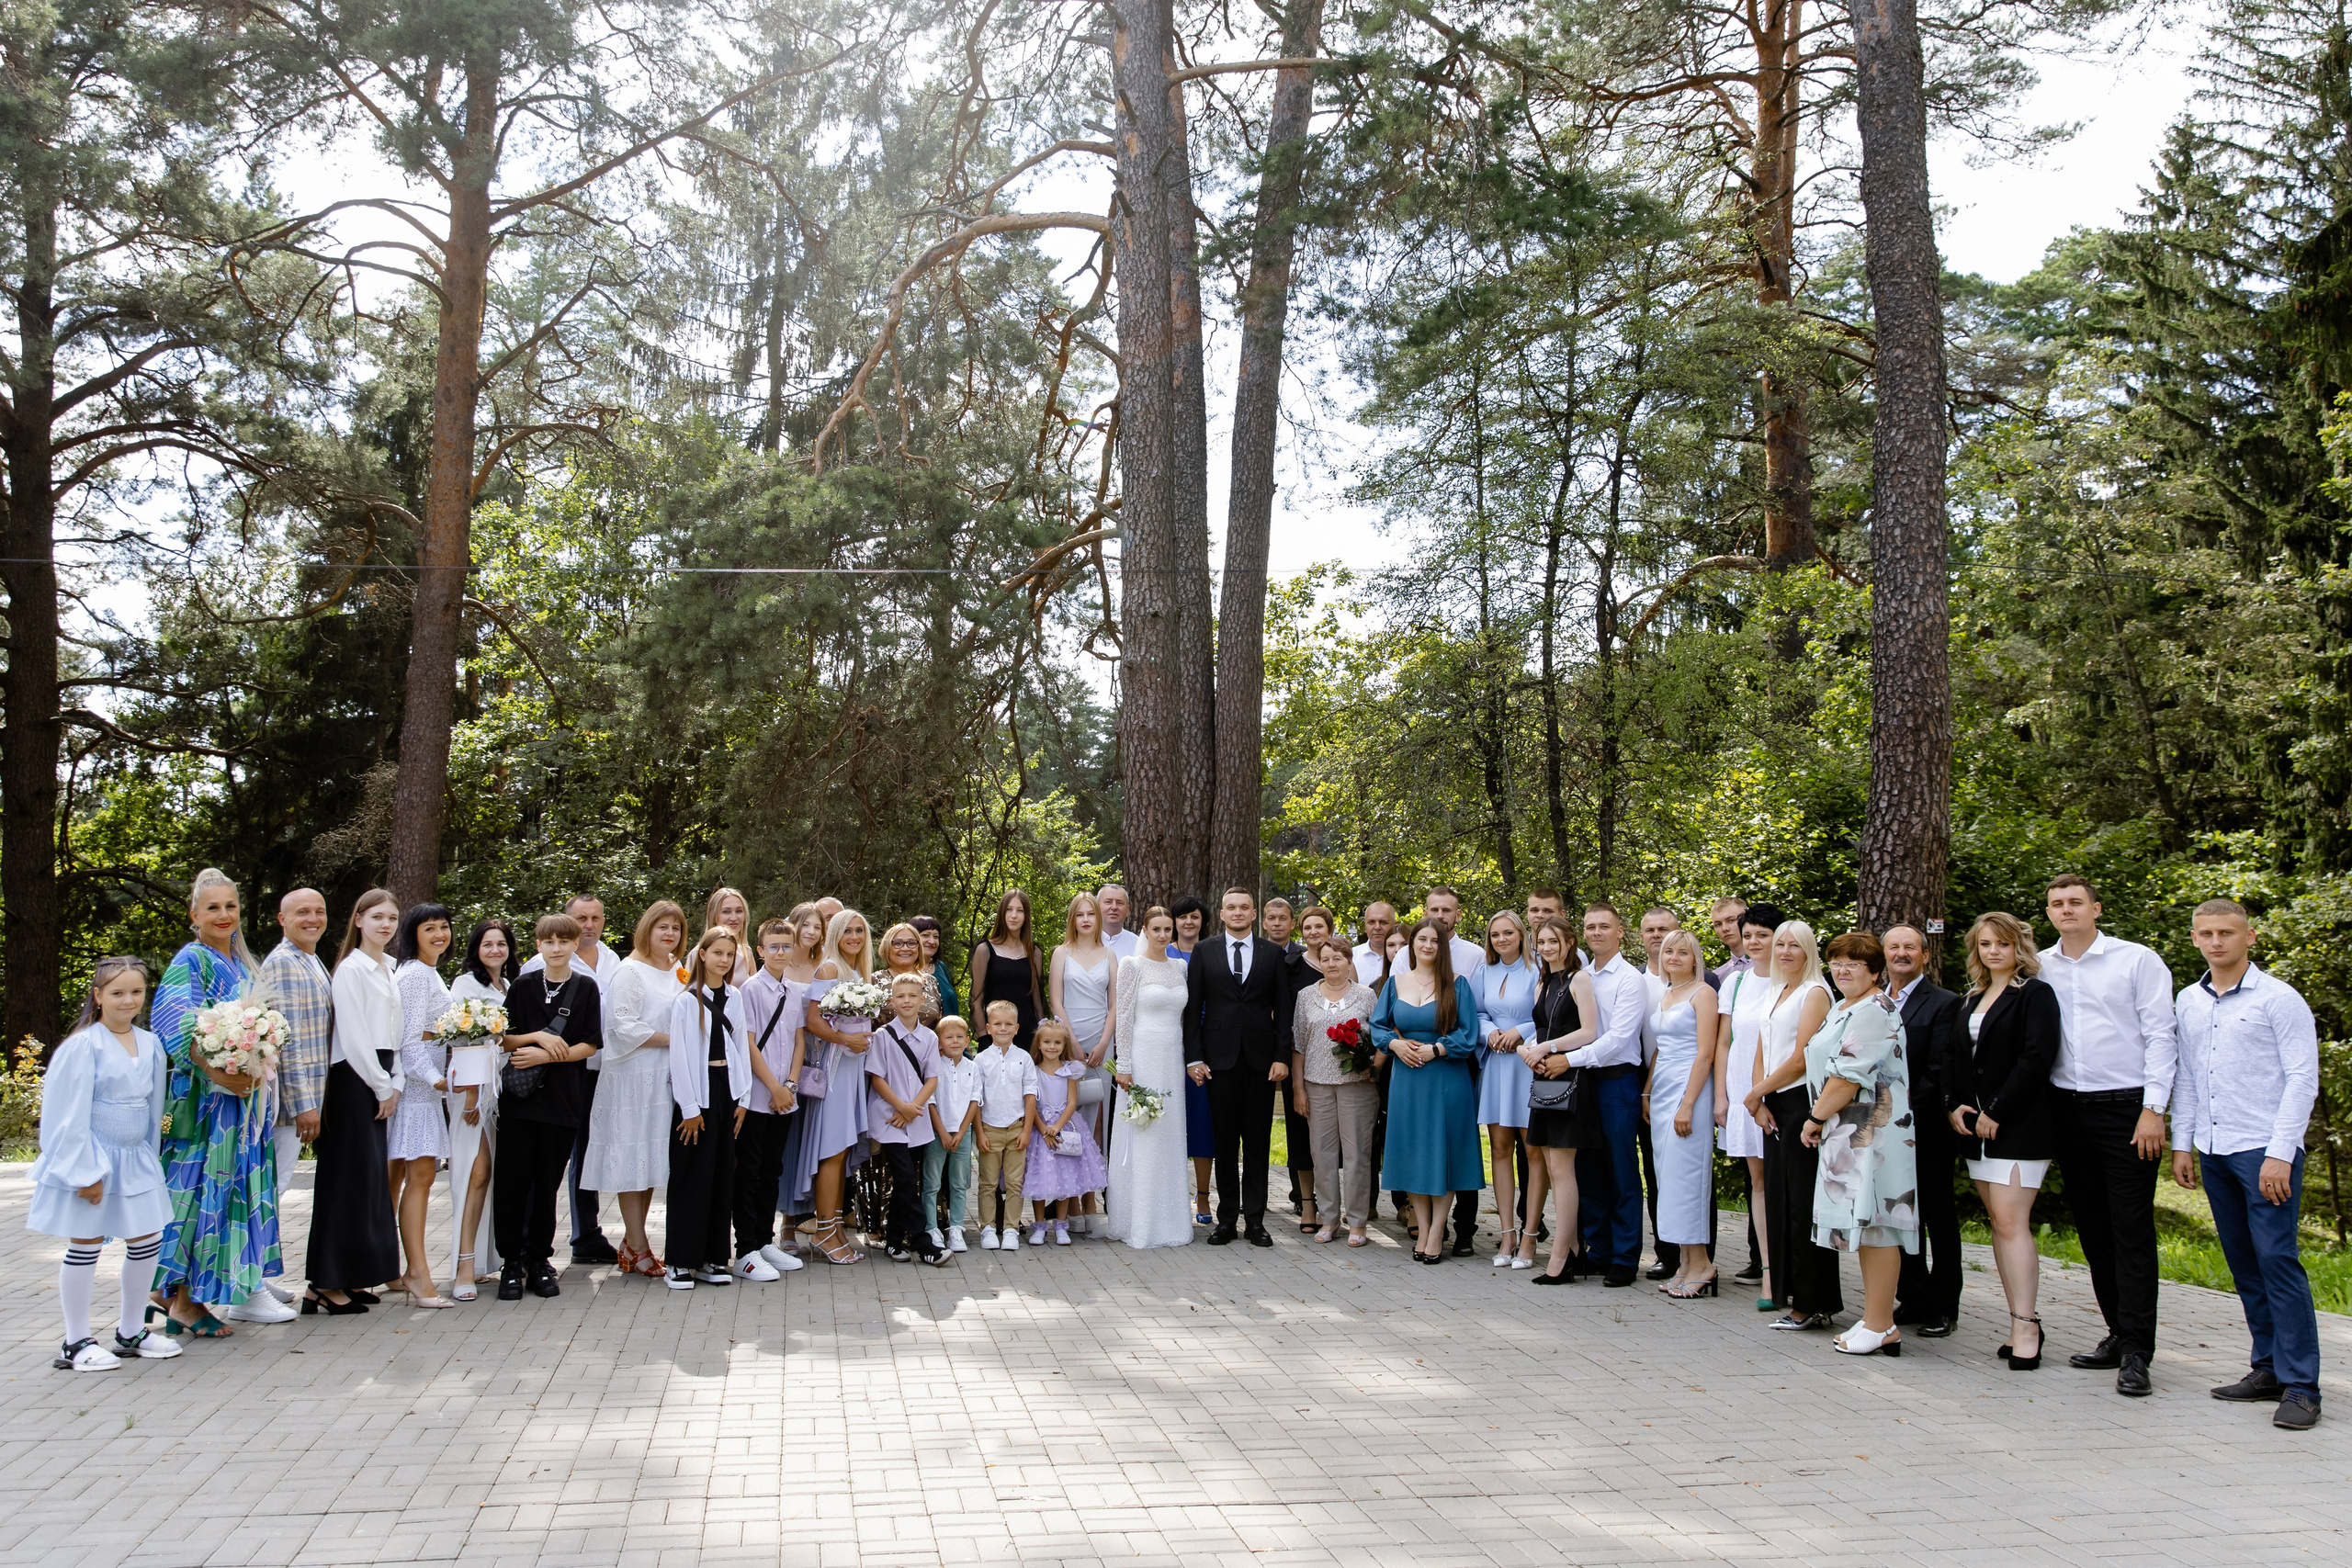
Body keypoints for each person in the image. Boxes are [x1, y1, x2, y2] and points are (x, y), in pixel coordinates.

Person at [2170, 899, 2324, 1430]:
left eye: (2227, 933)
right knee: (2244, 1264)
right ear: (2194, 939)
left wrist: (2282, 1152)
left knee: (2277, 1260)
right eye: (2207, 933)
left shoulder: (2279, 999)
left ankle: (2302, 1386)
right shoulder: (2189, 1000)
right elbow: (2189, 1076)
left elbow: (2302, 1078)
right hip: (2214, 1148)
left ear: (2249, 937)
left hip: (2265, 1150)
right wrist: (2183, 1143)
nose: (2217, 942)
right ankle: (2269, 1369)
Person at [2042, 874, 2177, 1397]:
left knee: (2131, 1229)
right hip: (2067, 1111)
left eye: (2076, 902)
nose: (2067, 910)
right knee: (2094, 1229)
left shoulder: (2136, 960)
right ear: (2049, 913)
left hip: (2127, 1111)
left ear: (2095, 909)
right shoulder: (2041, 966)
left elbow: (2161, 1035)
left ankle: (2139, 1350)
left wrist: (2154, 1109)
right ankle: (2118, 1333)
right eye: (2058, 904)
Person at [151, 868, 284, 1334]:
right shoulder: (191, 960)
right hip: (207, 1104)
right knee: (198, 1192)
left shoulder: (244, 963)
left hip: (241, 1103)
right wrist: (214, 1071)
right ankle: (181, 1300)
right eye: (213, 908)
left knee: (227, 1193)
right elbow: (173, 1021)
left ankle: (170, 1293)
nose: (224, 914)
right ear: (194, 915)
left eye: (230, 906)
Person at [32, 957, 181, 1370]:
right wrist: (85, 1172)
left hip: (135, 1158)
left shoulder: (150, 1043)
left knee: (147, 1237)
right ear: (98, 996)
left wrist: (149, 1156)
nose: (127, 1000)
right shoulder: (84, 1046)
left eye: (136, 992)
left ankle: (131, 1330)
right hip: (94, 1156)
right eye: (117, 993)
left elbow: (153, 1106)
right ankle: (75, 1341)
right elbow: (66, 1112)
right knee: (86, 1241)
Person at [1945, 911, 2060, 1370]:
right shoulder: (1972, 996)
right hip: (1977, 1129)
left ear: (2019, 947)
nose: (1994, 951)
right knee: (1998, 1223)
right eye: (1986, 944)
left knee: (2012, 1223)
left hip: (2019, 1125)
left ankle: (2027, 1325)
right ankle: (2018, 1322)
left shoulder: (2034, 993)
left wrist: (1997, 1110)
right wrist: (1954, 1104)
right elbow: (1955, 1057)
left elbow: (2037, 1058)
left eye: (2003, 944)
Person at [1800, 932, 1917, 1357]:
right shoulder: (1842, 1007)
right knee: (1866, 1229)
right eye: (1836, 962)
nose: (1843, 970)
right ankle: (1874, 1320)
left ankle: (1882, 1325)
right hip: (1847, 1130)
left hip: (1873, 1133)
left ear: (1874, 971)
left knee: (1879, 1227)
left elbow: (1848, 1076)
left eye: (1854, 963)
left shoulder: (1874, 1010)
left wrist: (1814, 1118)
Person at [494, 912, 604, 1301]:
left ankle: (539, 1259)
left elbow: (590, 1044)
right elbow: (503, 1038)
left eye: (563, 941)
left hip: (562, 1101)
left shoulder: (586, 987)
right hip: (520, 1101)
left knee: (547, 1184)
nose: (556, 948)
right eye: (549, 941)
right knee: (512, 1182)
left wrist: (547, 1056)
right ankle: (511, 1262)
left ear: (575, 944)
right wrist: (538, 1038)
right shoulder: (523, 986)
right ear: (538, 945)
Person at [310, 888, 402, 1318]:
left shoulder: (389, 967)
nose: (386, 925)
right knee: (346, 1179)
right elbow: (353, 1036)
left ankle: (347, 1276)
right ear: (359, 920)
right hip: (354, 1079)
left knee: (367, 1181)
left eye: (392, 918)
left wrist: (396, 1080)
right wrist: (382, 1086)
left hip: (381, 1073)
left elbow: (394, 1032)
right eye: (377, 917)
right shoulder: (351, 969)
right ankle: (325, 1282)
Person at [1183, 888, 1291, 1247]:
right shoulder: (1204, 951)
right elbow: (1193, 1009)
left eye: (1245, 907)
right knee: (1225, 1142)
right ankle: (1227, 1219)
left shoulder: (1271, 953)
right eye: (1231, 907)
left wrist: (1281, 1056)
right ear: (1222, 914)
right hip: (1219, 1060)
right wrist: (1195, 1057)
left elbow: (1283, 1010)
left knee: (1258, 1142)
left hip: (1261, 1061)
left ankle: (1256, 1221)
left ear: (1254, 914)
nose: (1238, 912)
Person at [1743, 919, 1838, 1325]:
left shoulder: (1814, 992)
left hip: (1801, 1103)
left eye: (1794, 945)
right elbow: (1762, 1047)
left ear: (1808, 950)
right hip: (1774, 1102)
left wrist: (1756, 1093)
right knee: (1780, 1202)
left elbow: (1802, 1058)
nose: (1785, 951)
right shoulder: (1778, 989)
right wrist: (1759, 1098)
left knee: (1803, 1206)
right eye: (1780, 944)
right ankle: (1788, 1292)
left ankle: (1813, 1303)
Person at [585, 900, 686, 1281]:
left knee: (650, 1159)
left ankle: (631, 1242)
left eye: (676, 928)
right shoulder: (630, 971)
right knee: (632, 1158)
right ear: (647, 929)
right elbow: (621, 1027)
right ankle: (639, 1246)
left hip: (664, 1077)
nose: (669, 934)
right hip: (633, 1076)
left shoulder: (677, 967)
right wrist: (675, 1040)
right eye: (662, 927)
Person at [1369, 919, 1481, 1261]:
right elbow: (1378, 1026)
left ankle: (1436, 1231)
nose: (1428, 945)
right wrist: (1395, 1045)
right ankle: (1423, 1222)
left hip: (1446, 1078)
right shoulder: (1395, 983)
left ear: (1442, 946)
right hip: (1407, 1079)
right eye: (1422, 939)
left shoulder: (1457, 985)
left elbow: (1469, 1033)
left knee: (1444, 1152)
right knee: (1412, 1152)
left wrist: (1437, 1049)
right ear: (1412, 944)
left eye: (1434, 940)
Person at [520, 893, 622, 1266]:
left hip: (600, 1071)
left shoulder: (612, 960)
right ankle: (530, 1246)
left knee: (588, 1154)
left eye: (596, 918)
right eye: (582, 918)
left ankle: (586, 1235)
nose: (589, 925)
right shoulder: (542, 961)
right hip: (552, 1076)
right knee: (546, 1162)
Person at [1885, 922, 1967, 1337]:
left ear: (1925, 955)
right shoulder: (1874, 1000)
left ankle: (1943, 1305)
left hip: (1926, 1127)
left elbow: (1938, 1069)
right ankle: (1913, 1296)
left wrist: (1898, 1112)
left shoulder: (1945, 1003)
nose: (1902, 953)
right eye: (1894, 947)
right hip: (1883, 1130)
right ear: (1884, 954)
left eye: (1910, 947)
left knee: (1937, 1215)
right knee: (1900, 1212)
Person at [254, 887, 332, 1312]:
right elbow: (290, 1040)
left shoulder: (310, 958)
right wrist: (304, 1104)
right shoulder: (284, 962)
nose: (313, 918)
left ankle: (260, 1279)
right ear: (282, 919)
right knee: (271, 1188)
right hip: (287, 1104)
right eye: (302, 912)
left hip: (308, 1095)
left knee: (274, 1189)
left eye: (319, 911)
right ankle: (250, 1286)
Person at [1566, 904, 1649, 1287]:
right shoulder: (1581, 976)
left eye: (1604, 926)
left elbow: (1618, 1039)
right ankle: (1598, 1250)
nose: (1596, 932)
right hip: (1584, 1081)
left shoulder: (1630, 979)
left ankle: (1625, 1257)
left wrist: (1568, 1059)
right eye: (1590, 927)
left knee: (1621, 1170)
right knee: (1589, 1169)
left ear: (1620, 932)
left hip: (1618, 1081)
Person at [663, 927, 750, 1288]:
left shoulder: (735, 997)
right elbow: (679, 1057)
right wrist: (689, 1108)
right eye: (717, 953)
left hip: (728, 1091)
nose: (724, 960)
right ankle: (680, 1261)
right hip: (698, 1095)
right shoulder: (687, 1001)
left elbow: (741, 1047)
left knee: (721, 1176)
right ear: (702, 955)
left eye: (729, 954)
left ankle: (714, 1258)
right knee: (691, 1177)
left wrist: (744, 1099)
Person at [1108, 907, 1196, 1249]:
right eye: (1156, 929)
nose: (1162, 935)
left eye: (1167, 929)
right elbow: (1124, 1016)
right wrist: (1125, 1065)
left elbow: (1184, 1019)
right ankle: (1140, 1222)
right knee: (1145, 1131)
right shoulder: (1132, 965)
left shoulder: (1180, 967)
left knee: (1170, 1133)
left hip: (1172, 1058)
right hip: (1142, 1057)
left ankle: (1171, 1221)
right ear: (1144, 930)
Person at [797, 908, 877, 1263]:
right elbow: (813, 1021)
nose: (854, 937)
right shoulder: (829, 968)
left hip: (853, 1069)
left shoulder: (858, 972)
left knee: (842, 1151)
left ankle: (836, 1229)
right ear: (835, 935)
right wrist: (847, 1040)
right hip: (835, 1069)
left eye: (859, 931)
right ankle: (824, 1231)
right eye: (847, 931)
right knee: (832, 1149)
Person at [387, 904, 457, 1308]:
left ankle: (392, 1268)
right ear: (413, 934)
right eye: (429, 928)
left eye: (444, 927)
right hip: (416, 1092)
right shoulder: (414, 974)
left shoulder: (430, 972)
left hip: (424, 1089)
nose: (439, 935)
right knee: (421, 1177)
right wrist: (436, 1080)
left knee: (401, 1178)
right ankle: (418, 1273)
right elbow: (409, 1040)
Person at [1520, 918, 1597, 1282]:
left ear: (1569, 942)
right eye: (1542, 942)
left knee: (1563, 1170)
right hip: (1543, 1077)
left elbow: (1589, 1032)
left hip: (1570, 1077)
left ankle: (1562, 1255)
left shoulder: (1580, 979)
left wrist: (1548, 1048)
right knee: (1551, 1168)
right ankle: (1575, 1249)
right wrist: (1528, 1051)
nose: (1547, 948)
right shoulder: (1543, 981)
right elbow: (1539, 1030)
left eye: (1554, 941)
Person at [1713, 903, 1784, 1291]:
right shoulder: (1735, 983)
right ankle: (1769, 1271)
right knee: (1758, 1182)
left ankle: (1791, 1270)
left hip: (1780, 1094)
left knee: (1785, 1183)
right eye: (1749, 935)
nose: (1754, 942)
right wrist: (1721, 1096)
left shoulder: (1795, 980)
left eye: (1763, 935)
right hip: (1742, 1093)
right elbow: (1724, 1042)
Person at [1647, 930, 1721, 1296]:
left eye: (1682, 952)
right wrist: (1648, 1091)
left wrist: (1688, 1104)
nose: (1674, 957)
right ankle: (1686, 1263)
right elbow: (1660, 1048)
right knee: (1669, 1180)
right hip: (1662, 1089)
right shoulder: (1666, 994)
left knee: (1688, 1178)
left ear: (1695, 959)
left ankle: (1703, 1264)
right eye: (1668, 951)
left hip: (1690, 1088)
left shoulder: (1703, 993)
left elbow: (1705, 1054)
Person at [446, 919, 516, 1300]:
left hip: (501, 1091)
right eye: (487, 944)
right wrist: (472, 1095)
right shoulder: (465, 985)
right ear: (476, 948)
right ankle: (463, 1266)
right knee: (475, 1172)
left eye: (501, 944)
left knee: (492, 1178)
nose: (494, 950)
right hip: (473, 1093)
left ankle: (486, 1259)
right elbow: (463, 1041)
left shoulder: (510, 985)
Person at [733, 919, 808, 1280]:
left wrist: (790, 1085)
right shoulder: (749, 989)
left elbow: (798, 1041)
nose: (780, 952)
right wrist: (774, 1088)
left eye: (786, 946)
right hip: (757, 1095)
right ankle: (744, 1249)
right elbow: (748, 1043)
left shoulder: (793, 991)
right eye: (773, 946)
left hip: (785, 1097)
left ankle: (764, 1241)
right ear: (760, 950)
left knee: (772, 1170)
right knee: (749, 1171)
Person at [1294, 934, 1377, 1246]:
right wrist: (1298, 1088)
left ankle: (1357, 1223)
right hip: (1317, 1085)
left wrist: (1374, 1066)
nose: (1331, 964)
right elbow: (1298, 1045)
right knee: (1322, 1155)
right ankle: (1329, 1219)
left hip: (1357, 1086)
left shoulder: (1366, 995)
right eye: (1326, 959)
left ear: (1349, 962)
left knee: (1357, 1155)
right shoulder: (1306, 996)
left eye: (1338, 958)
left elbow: (1380, 1037)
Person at [1474, 911, 1538, 1267]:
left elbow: (1547, 1014)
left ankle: (1530, 1236)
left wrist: (1520, 1031)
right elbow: (1477, 1014)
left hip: (1527, 1064)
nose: (1502, 939)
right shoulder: (1484, 971)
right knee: (1499, 1149)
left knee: (1533, 1151)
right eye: (1495, 934)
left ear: (1521, 934)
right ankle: (1507, 1234)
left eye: (1508, 933)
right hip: (1496, 1064)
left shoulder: (1537, 969)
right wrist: (1490, 1033)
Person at [1051, 892, 1118, 1231]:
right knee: (1070, 1121)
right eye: (1080, 915)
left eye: (1091, 914)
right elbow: (1056, 1001)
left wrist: (1104, 1043)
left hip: (1102, 1045)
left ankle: (1091, 1198)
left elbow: (1115, 1004)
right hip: (1067, 1042)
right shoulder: (1061, 953)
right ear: (1073, 920)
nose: (1087, 920)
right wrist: (1071, 1042)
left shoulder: (1110, 955)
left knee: (1096, 1125)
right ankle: (1072, 1201)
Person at [868, 974, 947, 1265]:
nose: (906, 1001)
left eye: (912, 996)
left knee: (907, 1181)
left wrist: (913, 1107)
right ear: (892, 1000)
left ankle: (893, 1241)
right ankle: (923, 1242)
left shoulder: (930, 1037)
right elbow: (877, 1078)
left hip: (916, 1117)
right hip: (889, 1118)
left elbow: (932, 1078)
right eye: (900, 996)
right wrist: (900, 1107)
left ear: (922, 1000)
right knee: (903, 1177)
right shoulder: (882, 1036)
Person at [1025, 1020, 1106, 1246]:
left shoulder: (1069, 1071)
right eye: (1047, 1042)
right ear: (1039, 1044)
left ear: (1064, 1045)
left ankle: (1061, 1225)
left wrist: (1057, 1127)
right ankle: (1040, 1225)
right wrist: (1044, 1129)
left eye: (1057, 1043)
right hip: (1040, 1130)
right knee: (1039, 1177)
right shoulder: (1032, 1071)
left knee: (1065, 1176)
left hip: (1065, 1127)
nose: (1052, 1047)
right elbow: (1030, 1104)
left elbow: (1072, 1103)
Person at [973, 1000, 1040, 1251]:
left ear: (1016, 1028)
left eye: (1008, 1024)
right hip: (990, 1128)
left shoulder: (1024, 1059)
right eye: (998, 1024)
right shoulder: (980, 1060)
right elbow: (976, 1099)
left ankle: (1011, 1229)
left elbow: (1030, 1095)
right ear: (989, 1028)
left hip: (1016, 1128)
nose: (1003, 1028)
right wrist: (980, 1133)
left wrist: (1026, 1130)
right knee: (988, 1183)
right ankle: (988, 1228)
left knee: (1014, 1183)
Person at [1166, 894, 1214, 1222]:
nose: (1188, 922)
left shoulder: (1211, 952)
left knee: (1201, 1123)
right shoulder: (1162, 952)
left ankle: (1204, 1196)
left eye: (1194, 916)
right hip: (1167, 1044)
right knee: (1168, 1122)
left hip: (1204, 1046)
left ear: (1202, 921)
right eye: (1182, 916)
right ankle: (1171, 1196)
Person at [925, 1015, 981, 1252]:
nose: (955, 1041)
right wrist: (943, 1132)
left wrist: (961, 1132)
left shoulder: (972, 1068)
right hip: (937, 1133)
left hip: (962, 1134)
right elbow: (930, 1102)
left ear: (967, 1041)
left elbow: (975, 1101)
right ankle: (931, 1229)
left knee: (959, 1184)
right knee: (932, 1183)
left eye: (960, 1037)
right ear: (939, 1042)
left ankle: (957, 1228)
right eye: (949, 1037)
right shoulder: (934, 1067)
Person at [969, 889, 1046, 1053]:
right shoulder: (985, 950)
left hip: (1029, 1038)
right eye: (1009, 910)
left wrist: (1043, 1035)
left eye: (1020, 911)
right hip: (995, 1038)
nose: (1014, 916)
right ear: (1002, 913)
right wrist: (984, 1038)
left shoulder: (1034, 952)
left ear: (1026, 916)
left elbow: (1038, 1001)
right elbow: (976, 1000)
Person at [880, 921, 944, 1027]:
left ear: (919, 947)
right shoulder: (874, 980)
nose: (905, 948)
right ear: (887, 947)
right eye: (897, 943)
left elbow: (940, 1022)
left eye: (911, 943)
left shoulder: (931, 981)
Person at [1421, 887, 1487, 976]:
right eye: (1435, 910)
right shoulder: (1406, 955)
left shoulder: (1476, 956)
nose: (1440, 916)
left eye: (1446, 910)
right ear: (1425, 914)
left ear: (1458, 915)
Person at [910, 916, 962, 1018]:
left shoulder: (940, 967)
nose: (932, 941)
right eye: (925, 935)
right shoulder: (905, 970)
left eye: (936, 937)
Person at [1353, 901, 1399, 986]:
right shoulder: (1350, 957)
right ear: (1365, 926)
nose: (1377, 927)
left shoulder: (1405, 957)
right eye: (1371, 922)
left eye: (1383, 922)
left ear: (1395, 925)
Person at [1709, 897, 1752, 983]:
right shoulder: (1717, 977)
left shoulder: (1773, 965)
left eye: (1731, 920)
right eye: (1718, 924)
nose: (1725, 928)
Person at [1099, 884, 1139, 960]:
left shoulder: (1137, 945)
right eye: (1108, 902)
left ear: (1128, 910)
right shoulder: (1084, 942)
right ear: (1097, 907)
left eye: (1119, 903)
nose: (1114, 907)